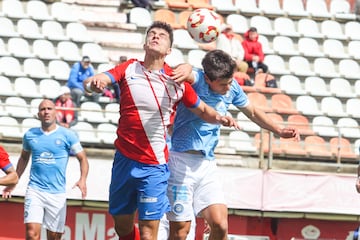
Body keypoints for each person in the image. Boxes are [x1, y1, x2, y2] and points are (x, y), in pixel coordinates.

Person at [82, 21, 239, 240]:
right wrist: (93, 82)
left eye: (162, 36)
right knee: (123, 227)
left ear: (169, 50)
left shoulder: (176, 81)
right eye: (151, 34)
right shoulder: (128, 68)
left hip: (154, 165)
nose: (155, 37)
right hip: (124, 160)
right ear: (145, 44)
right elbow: (96, 81)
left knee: (149, 233)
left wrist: (220, 117)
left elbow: (202, 109)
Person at [167, 49, 300, 240]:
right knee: (181, 232)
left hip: (207, 165)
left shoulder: (232, 87)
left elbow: (252, 112)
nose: (229, 88)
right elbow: (184, 71)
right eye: (223, 84)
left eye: (230, 82)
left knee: (220, 225)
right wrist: (186, 66)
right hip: (181, 163)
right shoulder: (196, 79)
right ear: (208, 79)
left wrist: (278, 130)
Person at [2, 99, 89, 240]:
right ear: (38, 114)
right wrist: (13, 182)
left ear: (56, 113)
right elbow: (23, 158)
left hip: (57, 193)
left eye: (49, 108)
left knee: (54, 237)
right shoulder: (30, 135)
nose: (46, 111)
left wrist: (83, 179)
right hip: (35, 190)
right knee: (31, 234)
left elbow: (83, 158)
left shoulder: (68, 135)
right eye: (43, 109)